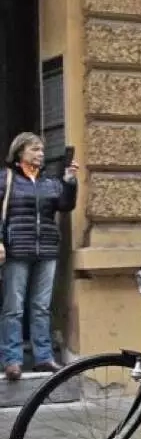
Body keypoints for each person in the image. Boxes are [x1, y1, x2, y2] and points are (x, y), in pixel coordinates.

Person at [1, 133, 79, 381]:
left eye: (42, 150)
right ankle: (12, 360)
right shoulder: (6, 179)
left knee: (41, 307)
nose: (40, 154)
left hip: (46, 250)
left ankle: (43, 357)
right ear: (20, 152)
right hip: (16, 249)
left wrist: (70, 181)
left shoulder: (49, 183)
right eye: (35, 149)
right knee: (13, 307)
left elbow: (65, 205)